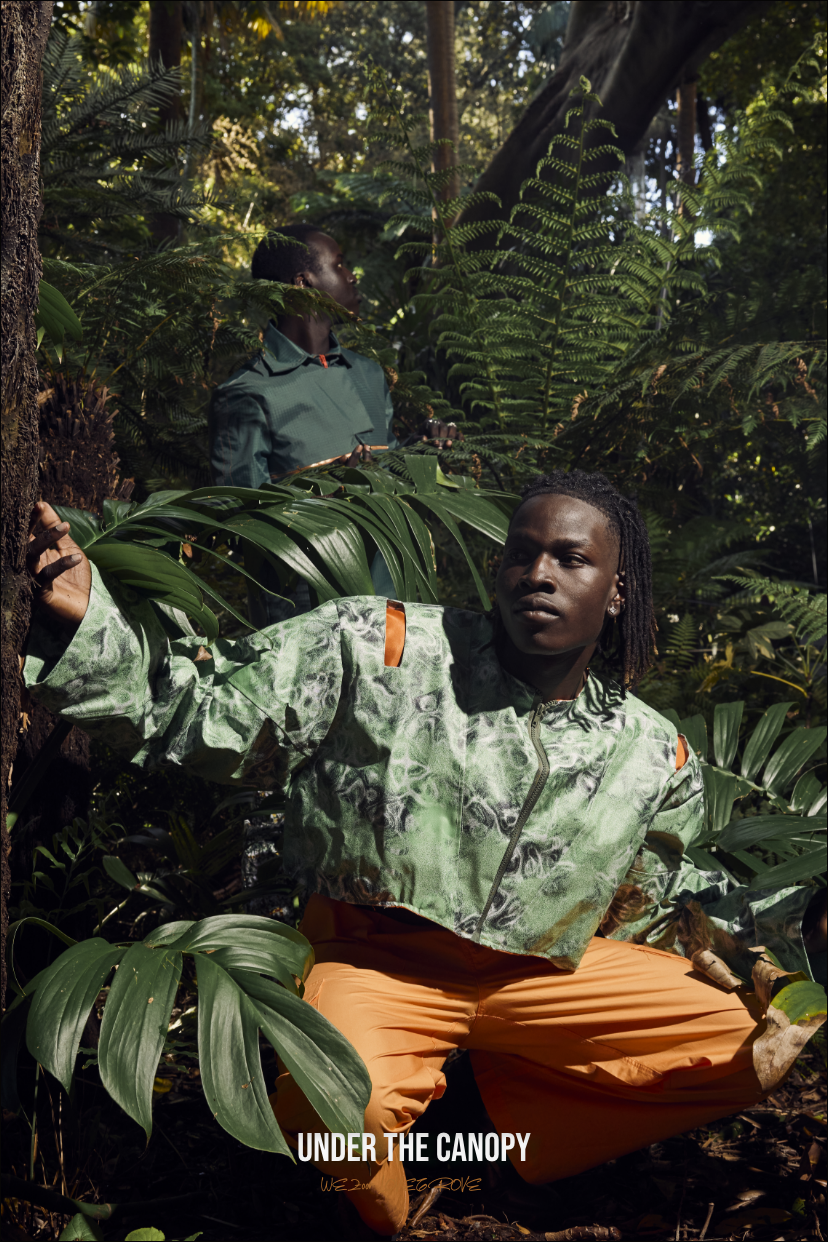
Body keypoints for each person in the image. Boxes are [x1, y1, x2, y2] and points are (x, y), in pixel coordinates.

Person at [23, 470, 827, 1240]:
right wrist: (92, 625)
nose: (538, 574)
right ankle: (389, 1208)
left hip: (543, 983)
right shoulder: (382, 648)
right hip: (376, 962)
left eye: (571, 559)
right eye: (522, 553)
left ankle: (506, 1138)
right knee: (335, 1110)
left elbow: (665, 906)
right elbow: (204, 709)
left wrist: (797, 938)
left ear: (617, 591)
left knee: (764, 1028)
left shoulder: (652, 752)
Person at [209, 224, 460, 625]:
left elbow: (387, 467)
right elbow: (239, 520)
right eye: (340, 264)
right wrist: (330, 493)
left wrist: (422, 449)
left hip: (394, 606)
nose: (352, 275)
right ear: (304, 282)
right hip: (307, 618)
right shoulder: (249, 392)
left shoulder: (368, 374)